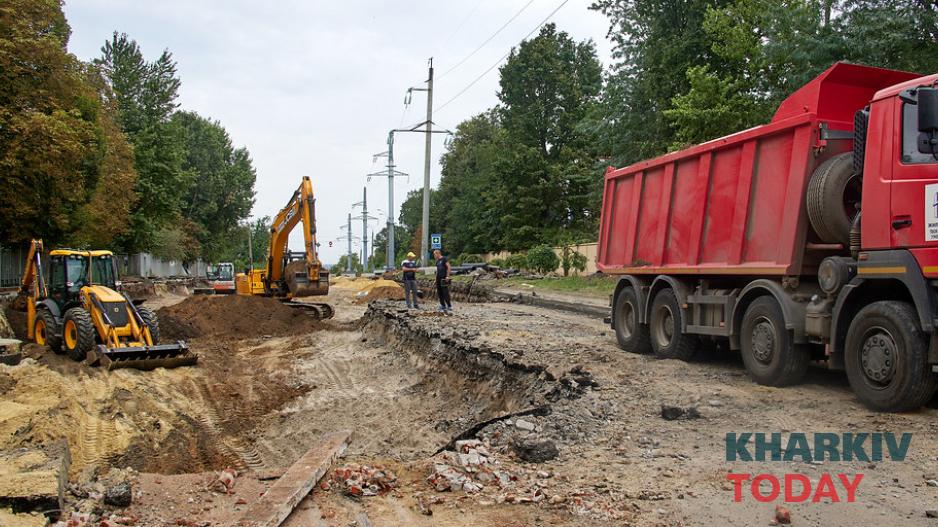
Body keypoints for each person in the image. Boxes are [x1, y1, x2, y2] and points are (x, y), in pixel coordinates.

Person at [434, 249, 452, 313]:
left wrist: (447, 276)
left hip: (444, 278)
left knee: (445, 292)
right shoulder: (437, 261)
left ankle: (449, 306)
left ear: (438, 253)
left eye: (434, 254)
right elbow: (437, 270)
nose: (434, 256)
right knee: (439, 292)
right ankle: (442, 305)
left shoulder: (444, 259)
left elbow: (449, 267)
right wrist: (435, 279)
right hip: (438, 278)